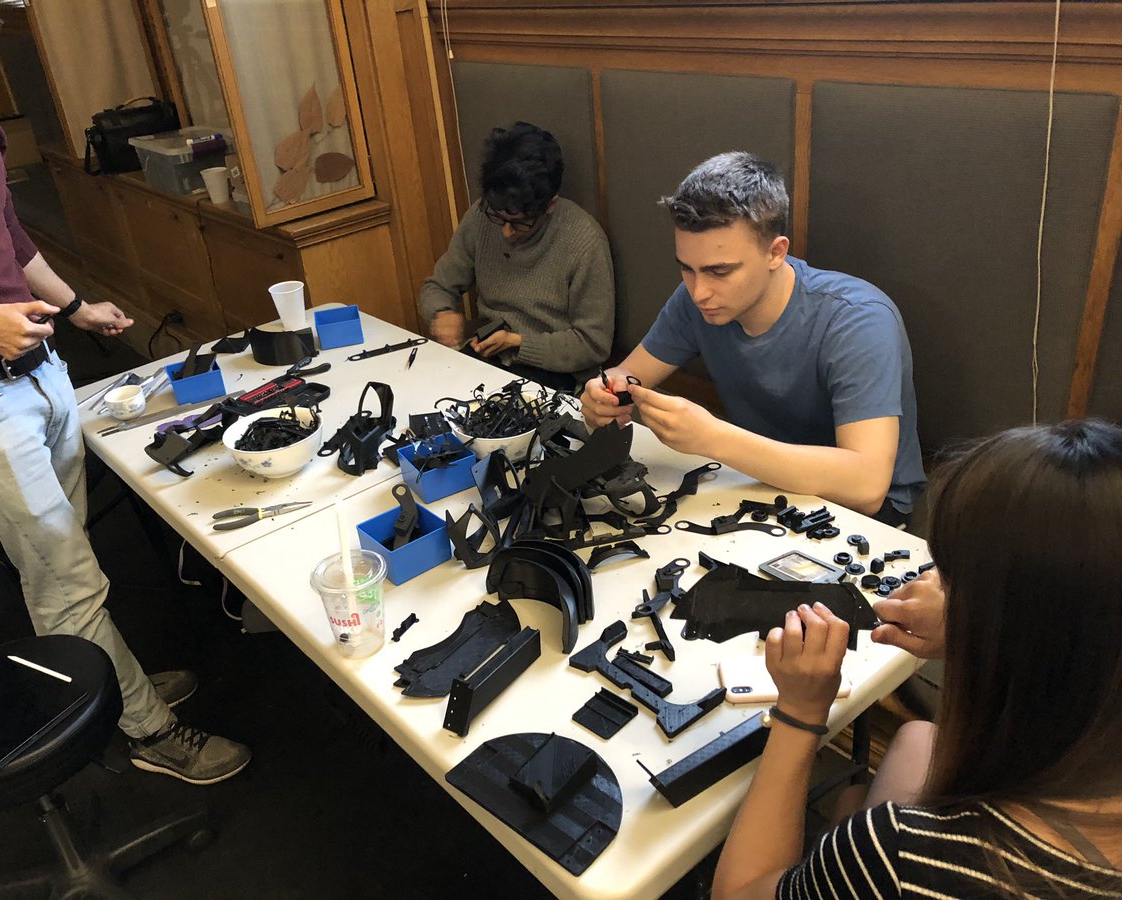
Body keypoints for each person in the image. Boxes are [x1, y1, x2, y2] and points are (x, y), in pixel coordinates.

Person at [0, 1, 250, 784]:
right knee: (66, 581)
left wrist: (75, 307)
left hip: (41, 368)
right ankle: (147, 730)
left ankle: (104, 684)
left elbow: (5, 232)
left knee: (71, 568)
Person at [712, 419, 1122, 898]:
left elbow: (737, 894)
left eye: (949, 574)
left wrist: (800, 712)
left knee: (851, 804)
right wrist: (974, 630)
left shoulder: (902, 856)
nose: (933, 583)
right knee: (915, 740)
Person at [580, 152, 925, 525]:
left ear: (776, 252)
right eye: (687, 269)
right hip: (762, 486)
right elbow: (628, 375)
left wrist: (714, 438)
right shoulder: (698, 301)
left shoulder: (858, 320)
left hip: (860, 515)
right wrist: (603, 395)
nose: (699, 292)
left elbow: (867, 487)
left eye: (720, 271)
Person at [419, 121, 615, 392]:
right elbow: (438, 286)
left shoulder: (585, 241)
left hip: (554, 373)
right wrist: (442, 313)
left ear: (551, 205)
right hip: (488, 355)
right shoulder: (481, 216)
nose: (506, 232)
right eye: (499, 218)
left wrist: (518, 343)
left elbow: (592, 345)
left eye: (520, 223)